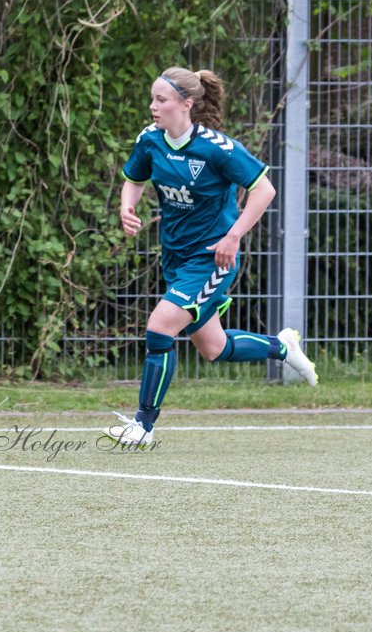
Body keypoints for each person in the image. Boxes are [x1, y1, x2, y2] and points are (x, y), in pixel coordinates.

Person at [106, 66, 318, 447]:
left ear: (186, 104)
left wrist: (233, 236)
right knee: (214, 348)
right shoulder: (150, 141)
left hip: (211, 259)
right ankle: (283, 347)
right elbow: (134, 179)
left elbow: (264, 190)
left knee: (160, 327)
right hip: (175, 258)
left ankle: (143, 426)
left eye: (161, 99)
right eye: (153, 98)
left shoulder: (217, 148)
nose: (153, 106)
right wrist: (127, 207)